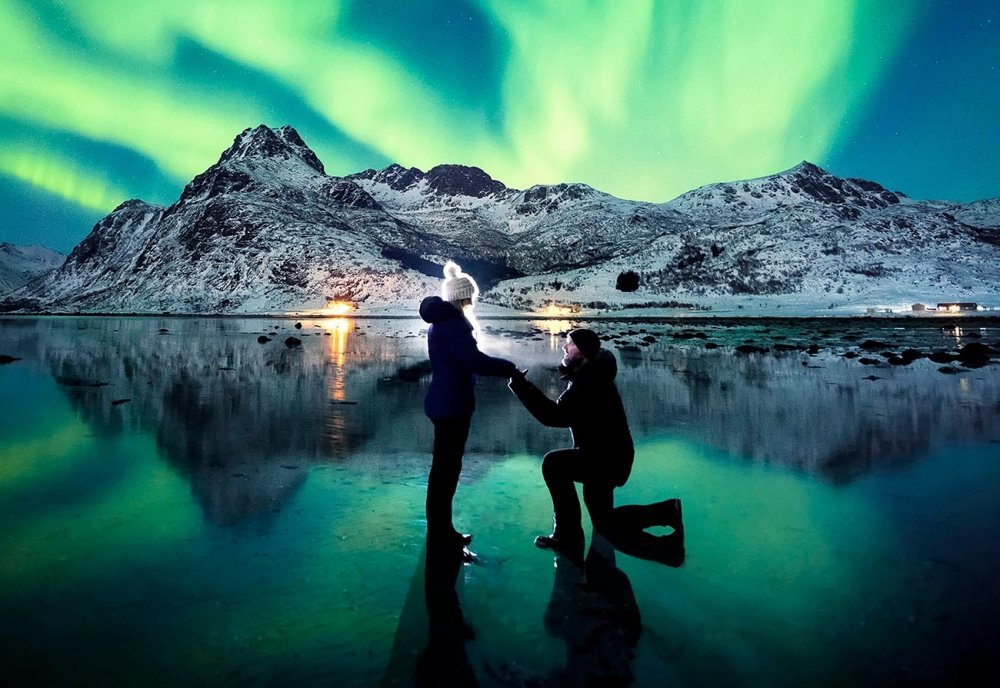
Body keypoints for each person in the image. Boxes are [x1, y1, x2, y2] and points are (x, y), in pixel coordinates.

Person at [508, 328, 637, 558]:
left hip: (605, 460)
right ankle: (667, 511)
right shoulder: (593, 375)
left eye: (570, 343)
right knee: (603, 521)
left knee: (554, 465)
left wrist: (521, 385)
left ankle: (567, 536)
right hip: (609, 457)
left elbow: (554, 416)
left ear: (584, 351)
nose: (564, 347)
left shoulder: (588, 381)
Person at [419, 261, 517, 557]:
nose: (474, 299)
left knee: (444, 470)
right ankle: (442, 534)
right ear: (463, 296)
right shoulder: (453, 324)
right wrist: (509, 368)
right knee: (446, 471)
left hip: (443, 400)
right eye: (471, 295)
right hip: (451, 404)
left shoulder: (443, 323)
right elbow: (473, 361)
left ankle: (441, 530)